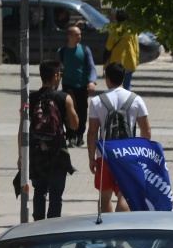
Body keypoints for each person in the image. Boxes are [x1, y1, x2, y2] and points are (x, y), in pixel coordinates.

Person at [87, 62, 152, 213]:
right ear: (123, 78)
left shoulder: (97, 101)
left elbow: (92, 132)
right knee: (125, 195)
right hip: (128, 155)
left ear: (107, 79)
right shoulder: (136, 99)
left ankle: (107, 231)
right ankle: (121, 227)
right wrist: (142, 155)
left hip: (105, 155)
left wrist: (92, 157)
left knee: (104, 198)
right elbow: (146, 130)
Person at [19, 60, 78, 221]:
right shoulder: (64, 98)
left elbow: (22, 129)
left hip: (37, 152)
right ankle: (53, 227)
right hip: (58, 152)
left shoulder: (30, 99)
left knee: (39, 190)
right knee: (56, 195)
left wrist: (21, 155)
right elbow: (74, 125)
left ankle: (38, 224)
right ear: (56, 75)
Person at [57, 25, 97, 147]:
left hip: (82, 85)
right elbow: (57, 70)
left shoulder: (85, 50)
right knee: (70, 109)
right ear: (69, 36)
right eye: (76, 35)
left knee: (82, 111)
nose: (79, 37)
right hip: (68, 85)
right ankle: (71, 135)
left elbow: (92, 67)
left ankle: (80, 135)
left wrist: (92, 81)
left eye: (80, 34)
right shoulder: (62, 51)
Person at [105, 9, 140, 91]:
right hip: (130, 61)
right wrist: (136, 60)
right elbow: (136, 48)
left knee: (116, 84)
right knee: (127, 84)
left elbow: (108, 46)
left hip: (117, 63)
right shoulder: (132, 30)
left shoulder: (115, 30)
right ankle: (127, 101)